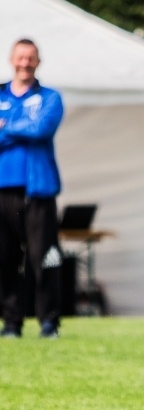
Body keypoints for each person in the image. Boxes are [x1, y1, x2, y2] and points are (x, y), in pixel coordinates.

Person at [0, 38, 65, 339]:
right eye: (20, 57)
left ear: (38, 61)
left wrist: (6, 125)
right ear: (13, 60)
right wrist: (24, 125)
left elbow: (42, 129)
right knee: (5, 259)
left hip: (37, 191)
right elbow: (31, 128)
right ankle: (12, 323)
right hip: (3, 192)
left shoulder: (50, 98)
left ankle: (49, 321)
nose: (25, 63)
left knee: (45, 257)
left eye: (31, 58)